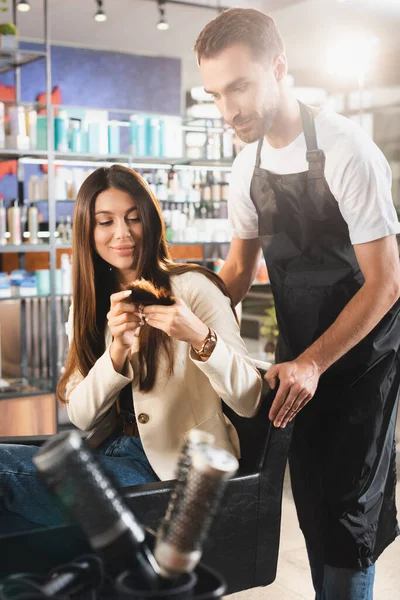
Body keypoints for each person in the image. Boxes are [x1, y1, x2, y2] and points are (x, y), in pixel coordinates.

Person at [195, 8, 400, 600]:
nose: (229, 110)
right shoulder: (245, 168)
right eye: (215, 94)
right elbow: (236, 271)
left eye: (240, 86)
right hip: (296, 360)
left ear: (278, 68)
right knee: (310, 503)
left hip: (359, 361)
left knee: (349, 515)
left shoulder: (346, 150)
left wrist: (315, 362)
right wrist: (186, 323)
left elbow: (386, 282)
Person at [0, 164, 263, 530]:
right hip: (108, 452)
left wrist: (200, 337)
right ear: (87, 231)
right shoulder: (89, 304)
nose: (122, 234)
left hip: (171, 472)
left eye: (133, 218)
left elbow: (250, 400)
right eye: (105, 222)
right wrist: (116, 354)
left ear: (150, 221)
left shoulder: (195, 288)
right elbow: (80, 415)